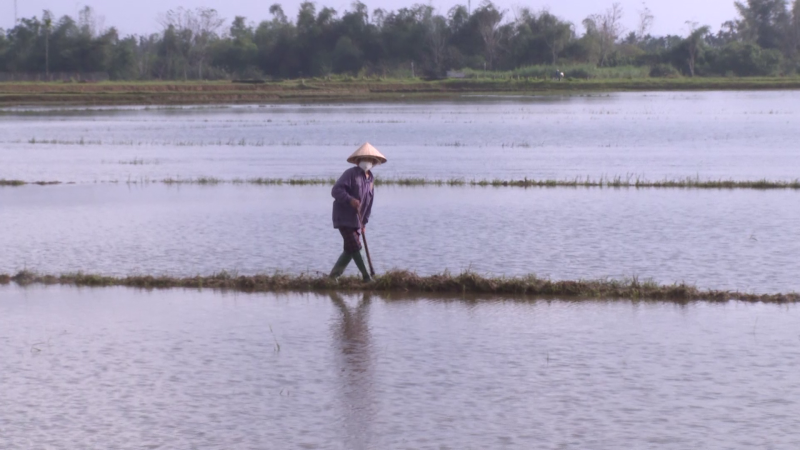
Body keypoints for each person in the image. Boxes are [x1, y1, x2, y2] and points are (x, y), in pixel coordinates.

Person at [329, 143, 387, 281]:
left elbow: (369, 202)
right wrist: (350, 200)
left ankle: (332, 277)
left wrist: (364, 223)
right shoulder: (350, 174)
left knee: (350, 249)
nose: (367, 161)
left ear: (374, 162)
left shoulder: (370, 178)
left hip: (357, 221)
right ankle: (368, 277)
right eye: (364, 158)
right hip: (343, 218)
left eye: (370, 159)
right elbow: (336, 191)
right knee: (356, 246)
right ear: (358, 160)